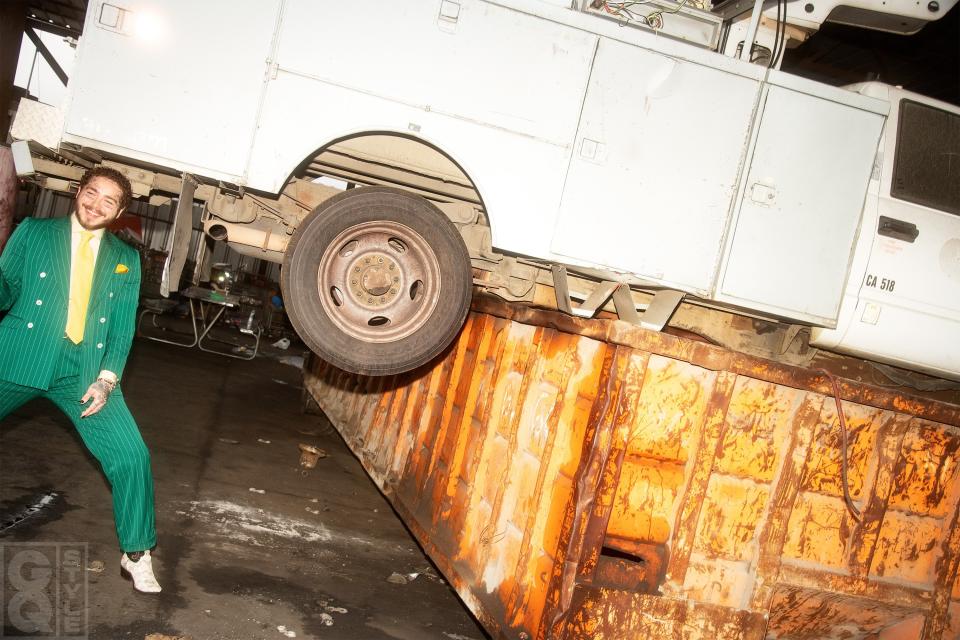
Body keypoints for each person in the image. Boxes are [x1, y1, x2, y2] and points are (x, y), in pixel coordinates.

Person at [0, 167, 160, 593]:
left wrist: (106, 380)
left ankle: (137, 554)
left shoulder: (125, 259)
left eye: (109, 201)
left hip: (82, 371)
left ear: (120, 211)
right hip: (20, 353)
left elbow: (123, 328)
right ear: (78, 192)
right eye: (92, 194)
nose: (96, 205)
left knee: (131, 455)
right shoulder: (34, 232)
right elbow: (5, 289)